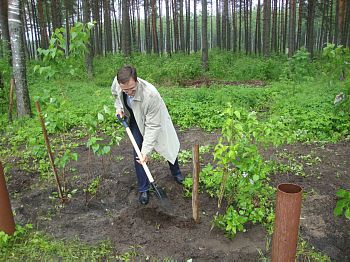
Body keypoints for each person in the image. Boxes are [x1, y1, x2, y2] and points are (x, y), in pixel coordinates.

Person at [111, 65, 184, 205]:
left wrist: (147, 151)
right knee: (138, 152)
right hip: (135, 117)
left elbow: (152, 126)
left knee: (166, 143)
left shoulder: (151, 95)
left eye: (132, 88)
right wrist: (119, 107)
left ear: (137, 80)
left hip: (153, 118)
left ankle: (176, 172)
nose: (129, 92)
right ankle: (144, 188)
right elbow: (115, 95)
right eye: (125, 90)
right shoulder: (118, 82)